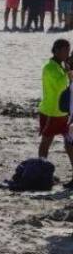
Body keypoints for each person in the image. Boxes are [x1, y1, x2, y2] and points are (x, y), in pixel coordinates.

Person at [38, 39, 73, 178]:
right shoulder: (49, 67)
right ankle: (41, 170)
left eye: (68, 50)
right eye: (65, 50)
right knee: (46, 142)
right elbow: (60, 86)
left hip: (64, 112)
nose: (67, 53)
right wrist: (68, 74)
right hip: (51, 112)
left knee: (69, 143)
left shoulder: (61, 66)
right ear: (56, 50)